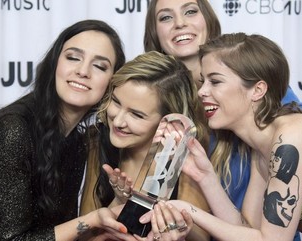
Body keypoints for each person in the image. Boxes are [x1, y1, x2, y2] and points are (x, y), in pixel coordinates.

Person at [143, 0, 302, 227]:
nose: (180, 23)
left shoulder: (252, 83)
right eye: (165, 17)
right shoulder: (157, 104)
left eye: (190, 11)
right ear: (154, 33)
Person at [0, 19, 135, 240]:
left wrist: (116, 207)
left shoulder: (77, 142)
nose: (83, 71)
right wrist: (94, 219)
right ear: (54, 63)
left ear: (112, 83)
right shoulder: (11, 130)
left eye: (99, 66)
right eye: (73, 57)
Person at [80, 50, 210, 241]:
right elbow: (85, 234)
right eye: (116, 102)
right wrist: (120, 201)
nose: (118, 121)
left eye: (136, 115)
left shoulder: (186, 155)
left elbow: (200, 237)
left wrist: (174, 230)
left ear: (169, 121)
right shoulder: (97, 139)